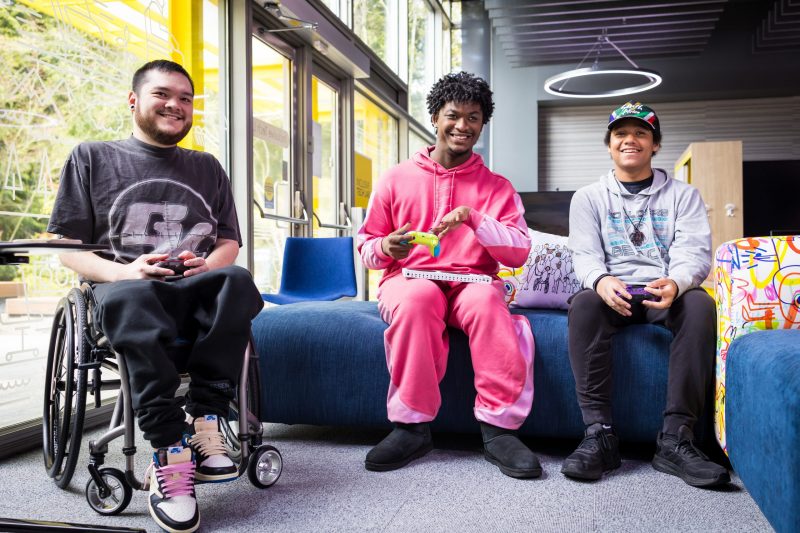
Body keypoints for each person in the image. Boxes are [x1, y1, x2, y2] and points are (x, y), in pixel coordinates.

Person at [47, 60, 264, 533]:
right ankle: (169, 449)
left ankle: (207, 417)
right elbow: (66, 248)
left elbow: (228, 241)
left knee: (239, 280)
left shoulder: (207, 166)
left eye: (186, 98)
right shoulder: (91, 157)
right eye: (163, 94)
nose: (176, 105)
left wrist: (208, 265)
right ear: (134, 101)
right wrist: (123, 272)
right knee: (131, 294)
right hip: (126, 291)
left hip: (193, 288)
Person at [357, 72, 541, 479]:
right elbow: (367, 247)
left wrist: (474, 219)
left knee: (487, 302)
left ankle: (498, 429)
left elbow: (518, 249)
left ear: (482, 123)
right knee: (418, 298)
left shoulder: (498, 187)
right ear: (436, 117)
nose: (463, 126)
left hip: (474, 282)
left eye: (473, 117)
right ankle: (412, 426)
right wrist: (387, 247)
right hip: (409, 279)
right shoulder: (395, 179)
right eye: (454, 115)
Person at [561, 101, 730, 488]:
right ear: (609, 145)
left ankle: (676, 439)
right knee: (584, 303)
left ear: (655, 144)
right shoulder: (588, 197)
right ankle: (598, 435)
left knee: (701, 304)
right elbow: (584, 254)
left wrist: (678, 280)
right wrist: (601, 281)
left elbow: (694, 250)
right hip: (613, 290)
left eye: (640, 133)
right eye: (620, 134)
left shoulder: (684, 195)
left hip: (662, 289)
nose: (629, 140)